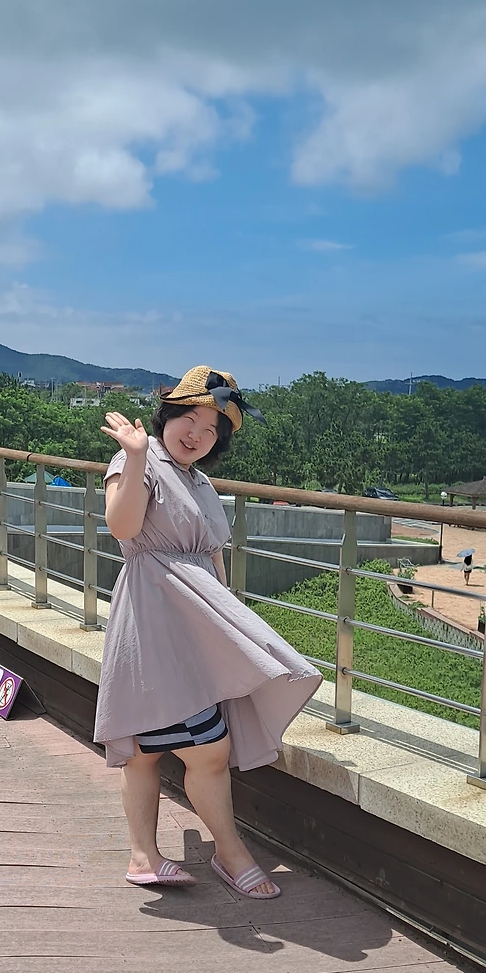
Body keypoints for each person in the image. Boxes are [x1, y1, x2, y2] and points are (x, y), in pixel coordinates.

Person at [93, 366, 322, 899]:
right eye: (189, 419)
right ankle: (228, 852)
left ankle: (144, 855)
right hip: (155, 617)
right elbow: (122, 527)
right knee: (206, 749)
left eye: (210, 429)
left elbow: (212, 558)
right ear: (168, 415)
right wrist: (133, 455)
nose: (196, 434)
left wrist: (231, 623)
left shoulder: (199, 482)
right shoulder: (140, 459)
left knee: (148, 746)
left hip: (196, 623)